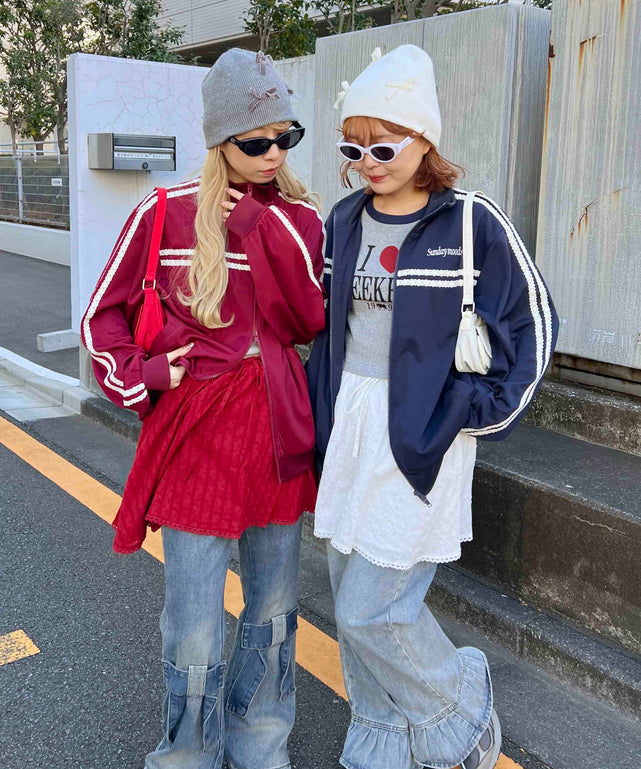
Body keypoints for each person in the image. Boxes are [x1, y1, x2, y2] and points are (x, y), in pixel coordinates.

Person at [306, 45, 558, 769]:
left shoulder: (471, 222)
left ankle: (460, 711)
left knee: (371, 608)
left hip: (423, 432)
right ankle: (380, 737)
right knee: (344, 591)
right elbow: (327, 326)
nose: (367, 163)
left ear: (424, 141)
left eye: (383, 146)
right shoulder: (344, 218)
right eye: (353, 148)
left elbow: (533, 321)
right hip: (349, 427)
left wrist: (476, 411)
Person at [81, 48, 325, 769]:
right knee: (192, 623)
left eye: (286, 137)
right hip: (196, 435)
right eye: (257, 142)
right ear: (221, 139)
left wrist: (256, 224)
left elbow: (308, 318)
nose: (274, 153)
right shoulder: (165, 212)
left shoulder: (300, 218)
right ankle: (188, 755)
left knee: (274, 611)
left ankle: (261, 745)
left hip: (276, 427)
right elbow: (102, 315)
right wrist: (145, 375)